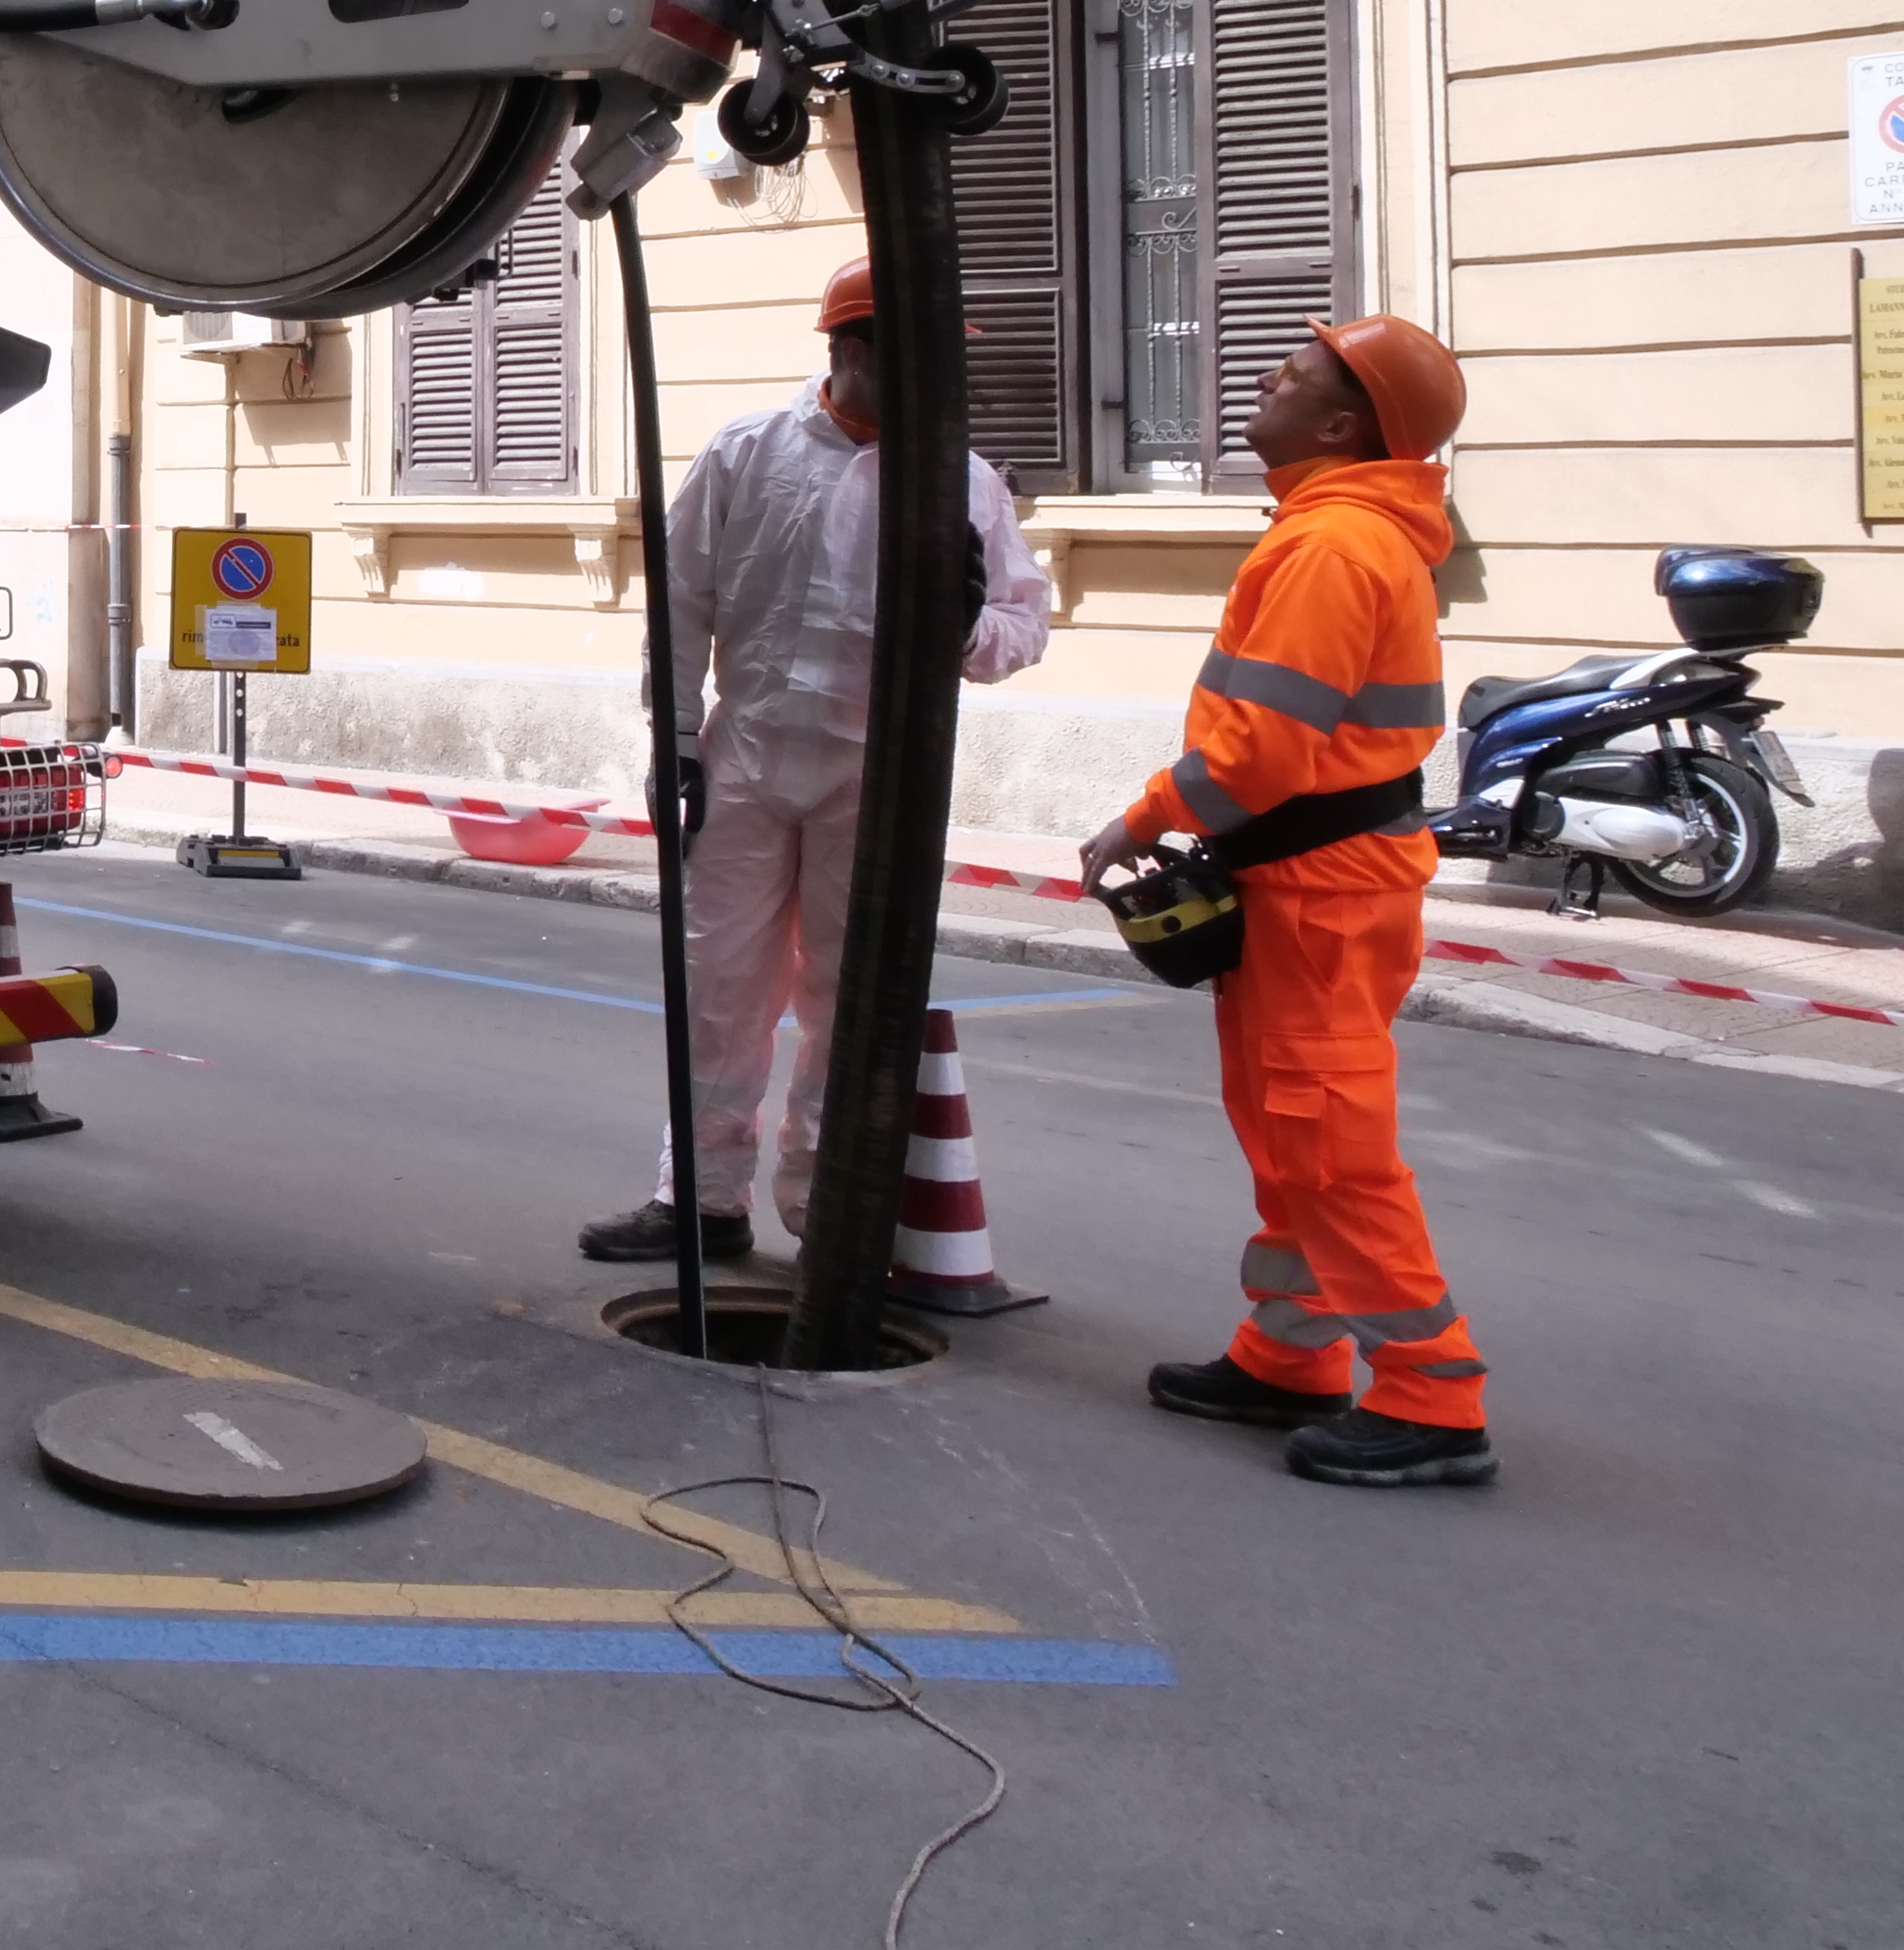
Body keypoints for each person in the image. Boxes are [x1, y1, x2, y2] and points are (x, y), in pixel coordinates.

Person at [1081, 314, 1490, 1488]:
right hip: (1316, 878)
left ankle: (1433, 1396)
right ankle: (1290, 1354)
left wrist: (1147, 814)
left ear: (1342, 424)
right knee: (1287, 1133)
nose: (1268, 374)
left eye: (1298, 372)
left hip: (1318, 883)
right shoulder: (1338, 535)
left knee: (1328, 1143)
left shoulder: (1330, 550)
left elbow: (1258, 751)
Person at [582, 258, 1048, 1263]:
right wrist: (676, 744)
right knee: (719, 988)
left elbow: (1019, 627)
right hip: (747, 758)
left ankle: (825, 1209)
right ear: (848, 352)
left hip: (877, 779)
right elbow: (683, 602)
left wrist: (967, 627)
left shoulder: (962, 482)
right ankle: (699, 1200)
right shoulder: (748, 453)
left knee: (850, 999)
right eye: (907, 353)